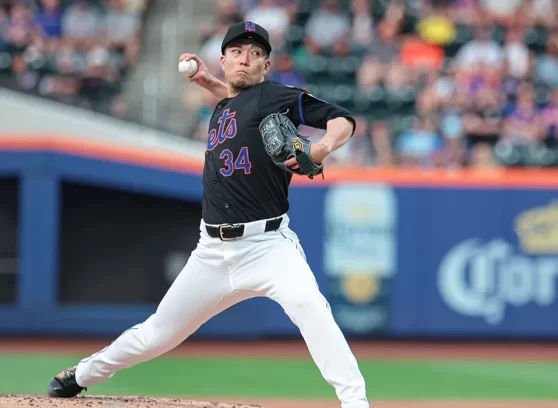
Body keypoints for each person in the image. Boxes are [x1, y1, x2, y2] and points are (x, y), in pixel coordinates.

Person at [46, 21, 370, 408]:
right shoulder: (225, 106)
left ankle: (356, 403)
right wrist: (207, 81)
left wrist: (320, 149)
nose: (245, 59)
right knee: (157, 335)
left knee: (310, 306)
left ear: (266, 65)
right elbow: (236, 102)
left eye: (255, 54)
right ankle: (82, 374)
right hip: (211, 252)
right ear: (224, 59)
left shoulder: (277, 96)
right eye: (237, 52)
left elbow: (343, 119)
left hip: (268, 246)